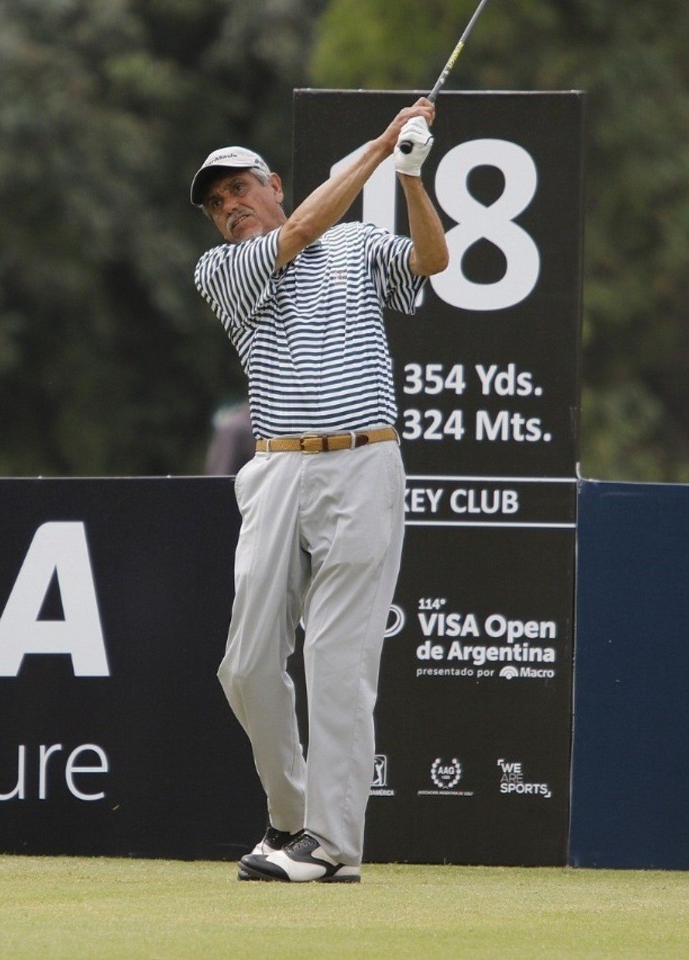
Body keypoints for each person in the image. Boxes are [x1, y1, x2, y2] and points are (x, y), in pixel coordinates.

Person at [191, 99, 448, 883]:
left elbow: (430, 263)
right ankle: (291, 817)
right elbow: (298, 231)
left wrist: (409, 178)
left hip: (363, 462)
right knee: (245, 664)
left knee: (338, 662)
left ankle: (331, 845)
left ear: (272, 182)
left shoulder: (356, 241)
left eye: (238, 189)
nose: (230, 207)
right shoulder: (223, 271)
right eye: (216, 203)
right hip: (276, 470)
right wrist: (378, 146)